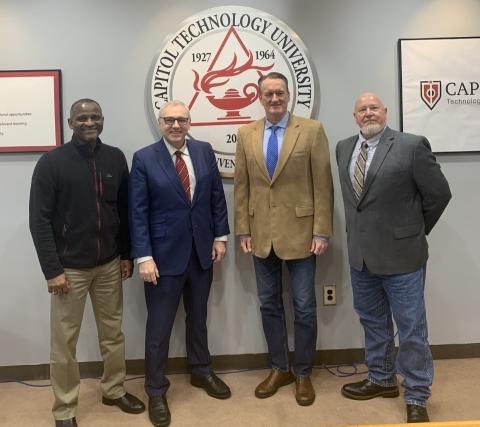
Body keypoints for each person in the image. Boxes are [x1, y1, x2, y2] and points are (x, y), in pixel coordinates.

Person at [336, 92, 451, 423]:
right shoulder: (344, 147)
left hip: (403, 257)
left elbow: (439, 193)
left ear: (385, 112)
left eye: (374, 108)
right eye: (362, 110)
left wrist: (413, 231)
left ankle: (416, 394)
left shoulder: (411, 145)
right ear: (354, 116)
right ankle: (381, 378)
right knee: (372, 322)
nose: (368, 113)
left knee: (411, 328)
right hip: (362, 258)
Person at [29, 99, 145, 427]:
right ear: (70, 122)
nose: (89, 122)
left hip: (109, 264)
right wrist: (52, 270)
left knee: (113, 334)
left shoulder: (114, 158)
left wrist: (126, 254)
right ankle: (65, 409)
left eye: (95, 117)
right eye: (82, 117)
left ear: (102, 120)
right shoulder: (52, 162)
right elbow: (39, 220)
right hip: (69, 270)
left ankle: (113, 389)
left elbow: (123, 212)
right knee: (65, 342)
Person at [234, 71, 334, 406]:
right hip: (260, 234)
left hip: (303, 235)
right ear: (259, 97)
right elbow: (243, 187)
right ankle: (280, 367)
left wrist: (322, 230)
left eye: (279, 93)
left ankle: (303, 372)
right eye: (268, 94)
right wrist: (243, 229)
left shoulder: (311, 130)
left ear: (288, 95)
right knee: (269, 305)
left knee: (304, 307)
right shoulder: (246, 133)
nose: (274, 99)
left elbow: (323, 184)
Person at [129, 100, 231, 427]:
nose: (175, 125)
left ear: (190, 122)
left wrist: (220, 237)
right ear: (160, 123)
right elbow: (138, 212)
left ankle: (201, 371)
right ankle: (156, 390)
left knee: (198, 318)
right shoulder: (144, 158)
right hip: (161, 258)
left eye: (181, 119)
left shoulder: (203, 151)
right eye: (169, 120)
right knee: (159, 328)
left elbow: (216, 196)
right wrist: (143, 256)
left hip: (201, 252)